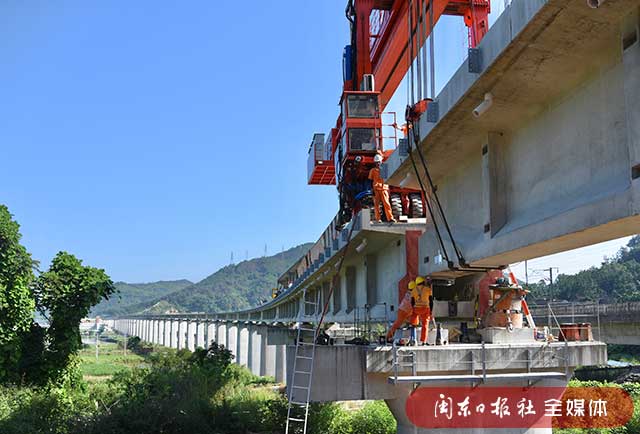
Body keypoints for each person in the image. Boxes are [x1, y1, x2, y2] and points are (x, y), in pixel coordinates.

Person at [368, 153, 396, 223]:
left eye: (379, 162)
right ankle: (378, 219)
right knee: (376, 205)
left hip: (384, 189)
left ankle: (390, 218)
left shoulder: (384, 168)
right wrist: (371, 190)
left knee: (387, 204)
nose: (378, 164)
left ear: (381, 161)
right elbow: (370, 181)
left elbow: (388, 178)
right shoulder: (372, 171)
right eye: (376, 163)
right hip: (376, 189)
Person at [411, 276, 434, 345]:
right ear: (423, 282)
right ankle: (423, 341)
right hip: (425, 309)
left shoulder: (413, 290)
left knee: (413, 324)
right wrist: (431, 311)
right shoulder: (428, 289)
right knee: (425, 325)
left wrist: (413, 310)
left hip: (416, 309)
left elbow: (412, 302)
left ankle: (413, 340)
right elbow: (431, 301)